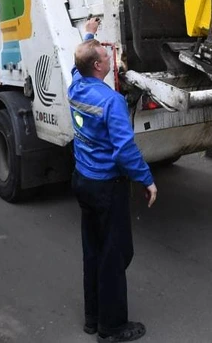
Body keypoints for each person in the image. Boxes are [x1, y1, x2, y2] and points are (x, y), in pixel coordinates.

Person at [69, 17, 157, 342]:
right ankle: (113, 326)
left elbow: (75, 62)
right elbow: (124, 152)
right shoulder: (111, 102)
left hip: (83, 180)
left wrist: (89, 33)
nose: (109, 56)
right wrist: (147, 180)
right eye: (104, 55)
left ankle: (93, 318)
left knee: (92, 250)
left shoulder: (75, 86)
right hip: (107, 187)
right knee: (115, 255)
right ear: (96, 65)